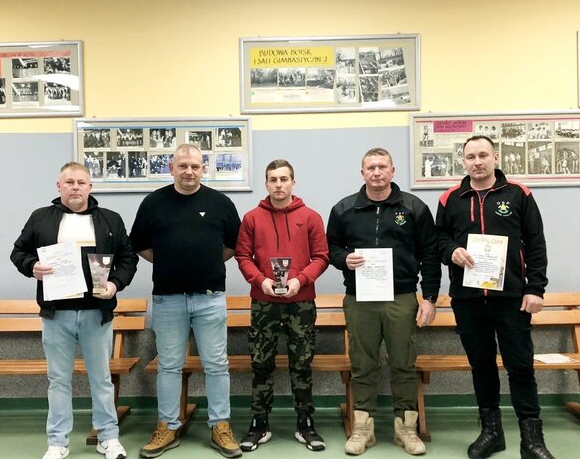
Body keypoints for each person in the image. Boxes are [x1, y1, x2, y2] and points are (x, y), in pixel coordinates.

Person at [436, 135, 555, 459]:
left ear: (495, 158)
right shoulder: (450, 198)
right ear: (463, 161)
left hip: (512, 299)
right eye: (471, 156)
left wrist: (535, 289)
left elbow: (536, 243)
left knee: (521, 367)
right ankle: (491, 432)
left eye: (483, 155)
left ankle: (532, 440)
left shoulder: (519, 194)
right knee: (482, 366)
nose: (477, 161)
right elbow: (439, 240)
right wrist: (451, 251)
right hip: (468, 299)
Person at [10, 162, 138, 459]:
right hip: (57, 314)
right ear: (59, 186)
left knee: (101, 379)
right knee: (58, 380)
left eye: (81, 182)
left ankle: (108, 437)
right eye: (69, 182)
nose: (76, 187)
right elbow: (18, 252)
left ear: (90, 187)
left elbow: (128, 259)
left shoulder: (109, 219)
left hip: (96, 313)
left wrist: (115, 284)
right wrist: (32, 267)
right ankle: (57, 442)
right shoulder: (41, 218)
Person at [130, 144, 242, 459]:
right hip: (168, 299)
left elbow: (233, 246)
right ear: (172, 169)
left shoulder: (220, 203)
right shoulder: (153, 203)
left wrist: (205, 262)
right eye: (183, 166)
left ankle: (220, 426)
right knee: (168, 365)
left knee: (217, 365)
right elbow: (140, 245)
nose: (189, 171)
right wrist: (170, 261)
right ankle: (167, 427)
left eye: (195, 166)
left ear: (203, 169)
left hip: (210, 297)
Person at [326, 148, 440, 456]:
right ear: (362, 172)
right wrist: (343, 259)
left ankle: (406, 428)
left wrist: (429, 298)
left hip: (401, 298)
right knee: (363, 364)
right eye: (371, 167)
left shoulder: (414, 208)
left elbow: (430, 255)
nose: (376, 172)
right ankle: (363, 428)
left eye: (382, 167)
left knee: (403, 363)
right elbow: (331, 248)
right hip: (360, 299)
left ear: (392, 171)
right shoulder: (344, 209)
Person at [234, 160, 329, 452]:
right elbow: (242, 256)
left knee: (302, 363)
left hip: (301, 302)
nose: (278, 184)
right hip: (264, 302)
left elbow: (321, 257)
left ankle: (305, 423)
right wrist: (260, 280)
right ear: (266, 184)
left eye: (284, 179)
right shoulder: (252, 218)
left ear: (293, 183)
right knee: (261, 363)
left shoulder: (310, 217)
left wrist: (300, 280)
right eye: (273, 179)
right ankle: (259, 424)